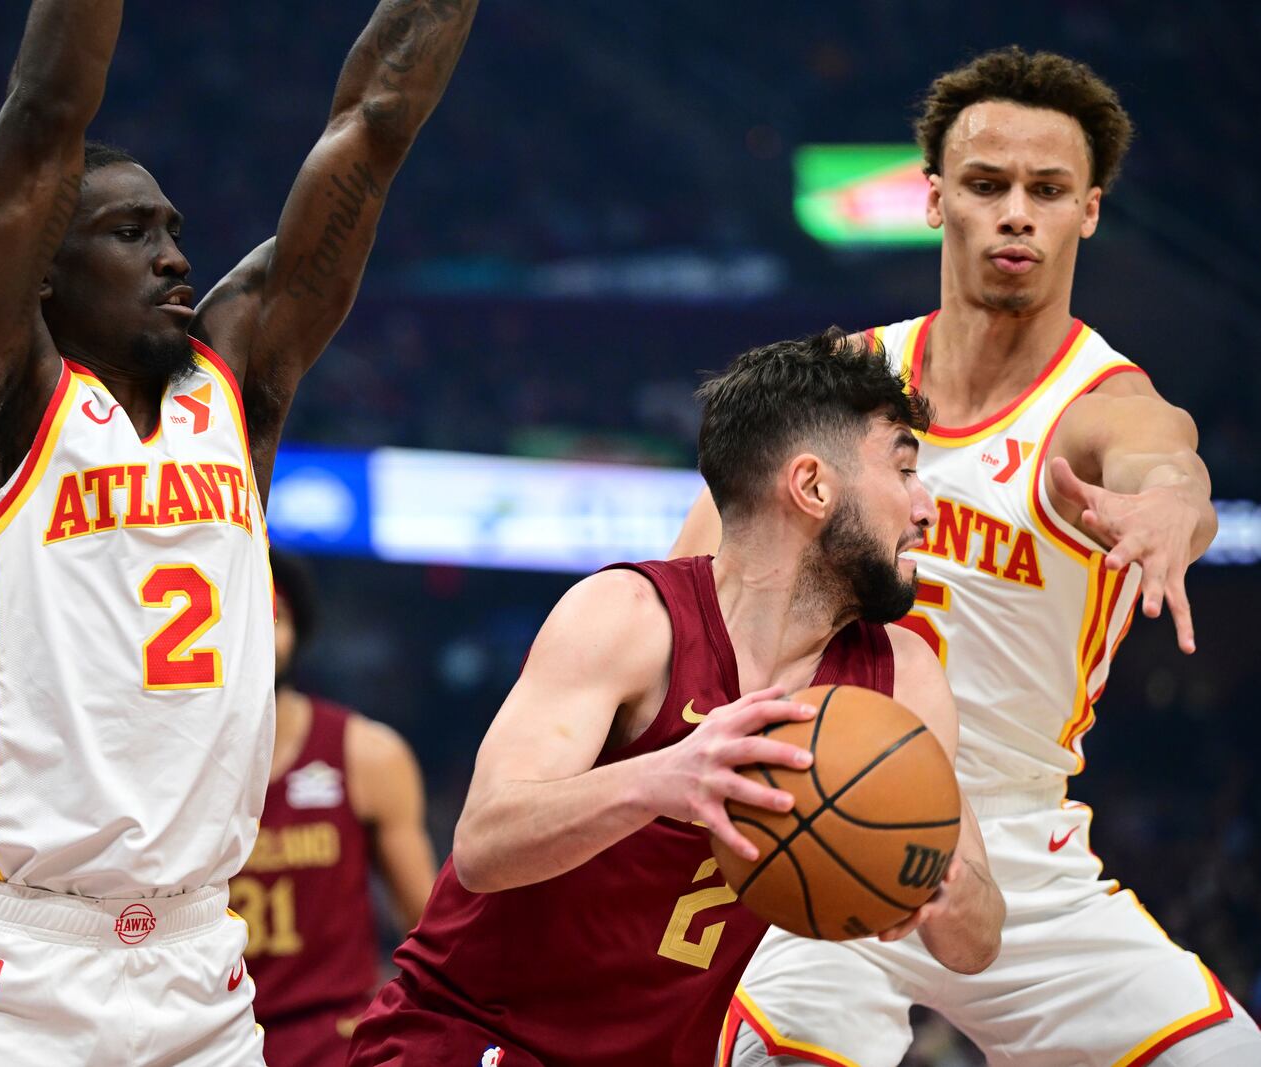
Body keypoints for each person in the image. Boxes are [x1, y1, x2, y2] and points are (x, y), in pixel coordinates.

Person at [0, 1, 477, 1062]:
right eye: (130, 232)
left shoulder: (232, 389)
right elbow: (41, 120)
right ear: (33, 270)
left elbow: (372, 121)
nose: (175, 257)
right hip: (8, 967)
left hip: (197, 966)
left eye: (173, 230)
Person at [673, 47, 1261, 1067]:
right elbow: (692, 584)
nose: (1015, 213)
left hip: (1015, 846)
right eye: (986, 184)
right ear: (933, 198)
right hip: (816, 804)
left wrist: (1172, 506)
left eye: (1046, 191)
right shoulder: (838, 388)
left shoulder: (1095, 403)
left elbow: (1158, 453)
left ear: (1088, 211)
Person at [347, 331, 1004, 1067]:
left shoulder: (904, 676)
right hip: (477, 1037)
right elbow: (483, 844)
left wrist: (936, 884)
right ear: (814, 486)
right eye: (906, 470)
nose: (927, 508)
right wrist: (661, 777)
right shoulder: (629, 616)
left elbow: (978, 941)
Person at [239, 551, 436, 1066]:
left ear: (299, 630)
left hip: (332, 1036)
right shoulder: (159, 763)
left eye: (273, 615)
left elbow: (428, 928)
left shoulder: (368, 753)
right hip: (207, 1028)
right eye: (242, 612)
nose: (259, 631)